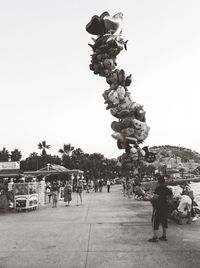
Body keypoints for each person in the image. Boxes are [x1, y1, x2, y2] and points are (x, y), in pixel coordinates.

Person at [148, 175, 173, 242]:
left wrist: (151, 199)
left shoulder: (158, 189)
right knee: (164, 221)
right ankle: (164, 236)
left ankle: (155, 237)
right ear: (164, 182)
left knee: (155, 221)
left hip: (158, 207)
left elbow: (155, 197)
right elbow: (171, 198)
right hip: (165, 207)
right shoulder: (168, 189)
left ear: (158, 182)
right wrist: (167, 201)